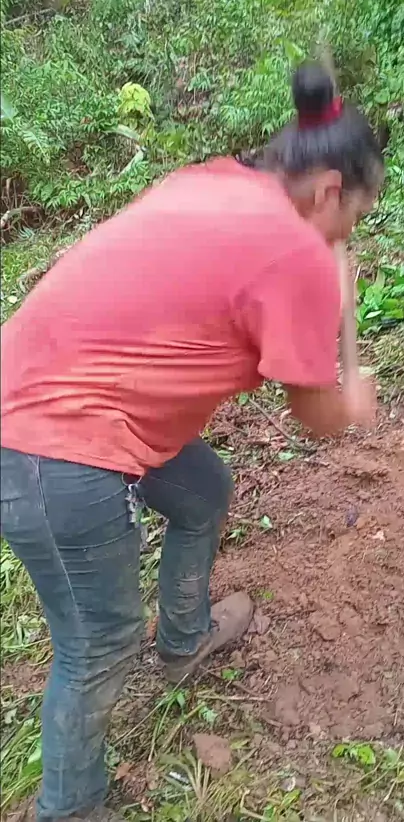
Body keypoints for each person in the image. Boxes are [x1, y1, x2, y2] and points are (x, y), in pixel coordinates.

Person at [1, 62, 383, 822]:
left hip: (58, 393)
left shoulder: (215, 181)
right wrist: (353, 401)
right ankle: (70, 808)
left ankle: (185, 641)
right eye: (356, 215)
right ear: (329, 190)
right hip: (48, 442)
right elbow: (315, 416)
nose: (350, 235)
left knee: (202, 490)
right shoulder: (295, 251)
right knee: (100, 644)